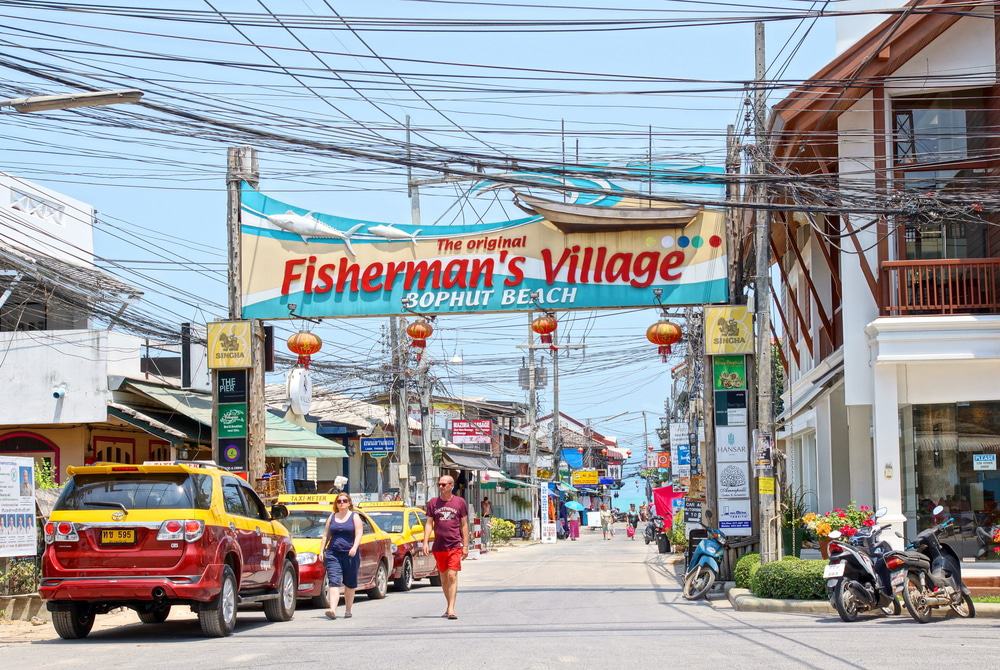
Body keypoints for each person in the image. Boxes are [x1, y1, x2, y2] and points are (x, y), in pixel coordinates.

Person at [423, 475, 469, 620]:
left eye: (444, 485)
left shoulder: (459, 502)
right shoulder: (433, 503)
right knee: (443, 578)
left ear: (451, 485)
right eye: (439, 484)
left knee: (452, 575)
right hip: (439, 546)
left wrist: (466, 545)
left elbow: (464, 525)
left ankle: (451, 609)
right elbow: (429, 523)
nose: (441, 487)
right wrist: (425, 542)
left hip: (455, 545)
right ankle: (448, 604)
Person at [320, 492, 364, 620]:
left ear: (349, 503)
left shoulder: (354, 517)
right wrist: (321, 551)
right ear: (336, 504)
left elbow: (359, 533)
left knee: (350, 583)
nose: (342, 503)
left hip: (350, 554)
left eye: (344, 501)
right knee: (334, 581)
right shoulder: (332, 517)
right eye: (339, 501)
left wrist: (354, 547)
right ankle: (332, 610)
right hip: (333, 553)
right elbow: (325, 535)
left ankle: (348, 610)